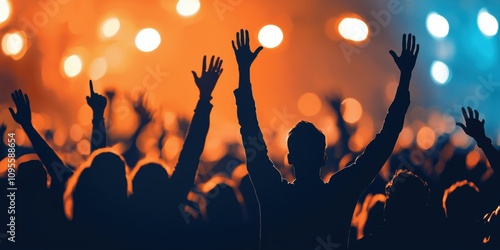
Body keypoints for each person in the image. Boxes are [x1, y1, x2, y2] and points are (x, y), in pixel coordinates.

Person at [231, 30, 418, 249]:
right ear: (323, 158)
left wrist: (244, 73)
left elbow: (250, 133)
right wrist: (404, 79)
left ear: (289, 157)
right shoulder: (340, 193)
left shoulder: (273, 193)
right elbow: (384, 143)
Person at [129, 55, 223, 249]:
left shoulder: (121, 215)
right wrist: (204, 98)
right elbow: (191, 151)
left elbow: (99, 166)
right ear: (167, 183)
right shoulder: (172, 200)